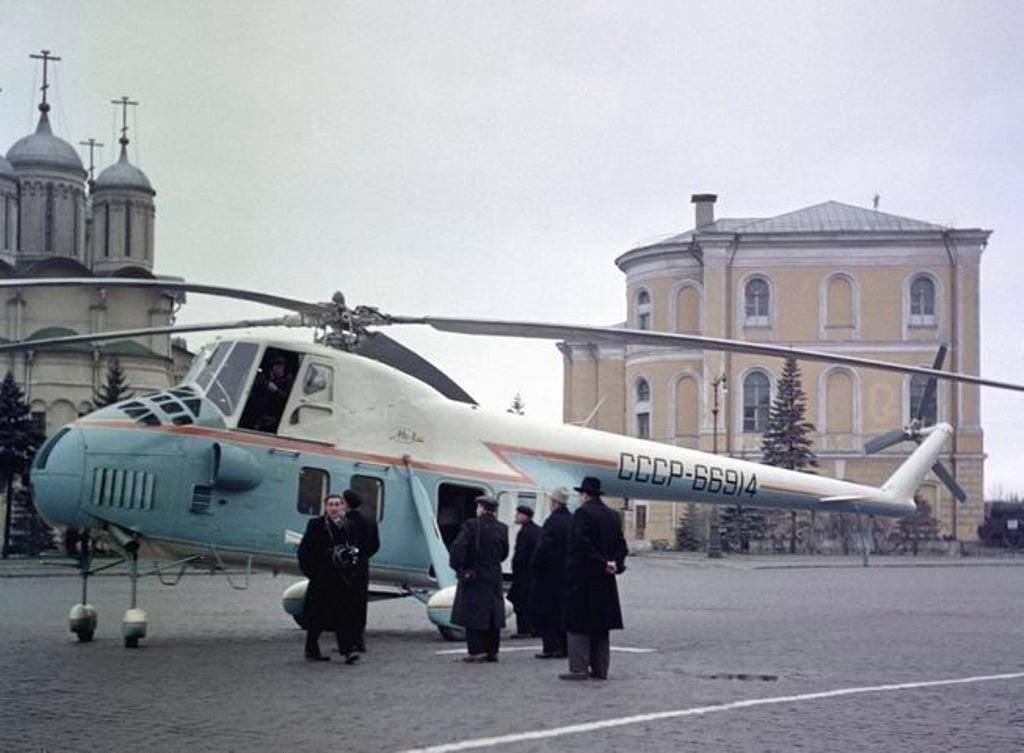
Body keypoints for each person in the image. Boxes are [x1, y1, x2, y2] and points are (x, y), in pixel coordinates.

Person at [560, 477, 628, 681]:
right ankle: (601, 669)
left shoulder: (583, 513)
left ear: (585, 495)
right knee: (601, 625)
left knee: (578, 625)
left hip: (583, 579)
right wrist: (615, 564)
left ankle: (578, 668)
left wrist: (601, 563)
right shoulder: (613, 516)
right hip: (606, 581)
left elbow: (581, 545)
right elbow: (621, 546)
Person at [297, 493, 361, 664]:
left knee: (344, 615)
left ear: (343, 507)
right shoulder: (316, 524)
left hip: (341, 578)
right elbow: (304, 551)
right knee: (316, 615)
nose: (334, 508)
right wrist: (311, 572)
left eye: (337, 504)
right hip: (321, 577)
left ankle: (347, 651)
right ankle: (311, 649)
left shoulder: (350, 526)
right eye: (330, 504)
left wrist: (351, 567)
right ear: (326, 507)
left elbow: (355, 548)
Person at [449, 495, 509, 663]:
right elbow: (504, 553)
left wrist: (460, 568)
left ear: (481, 508)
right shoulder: (502, 528)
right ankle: (492, 650)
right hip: (494, 575)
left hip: (475, 574)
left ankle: (477, 651)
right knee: (492, 613)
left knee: (473, 613)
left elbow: (458, 548)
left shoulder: (471, 525)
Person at [530, 487, 572, 659]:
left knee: (548, 612)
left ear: (554, 502)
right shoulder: (573, 520)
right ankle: (565, 647)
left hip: (550, 575)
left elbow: (543, 549)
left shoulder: (552, 521)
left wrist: (535, 567)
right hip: (568, 574)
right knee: (564, 612)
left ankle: (550, 647)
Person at [342, 488, 380, 652]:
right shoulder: (370, 520)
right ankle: (360, 640)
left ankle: (347, 641)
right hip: (363, 565)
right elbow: (376, 544)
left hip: (346, 566)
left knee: (345, 603)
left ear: (346, 504)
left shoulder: (344, 522)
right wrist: (364, 556)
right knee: (360, 603)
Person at [508, 504, 541, 638]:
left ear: (524, 516)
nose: (516, 517)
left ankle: (524, 629)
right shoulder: (538, 530)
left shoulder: (524, 532)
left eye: (518, 514)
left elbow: (521, 555)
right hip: (534, 573)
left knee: (520, 602)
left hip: (523, 574)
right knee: (531, 601)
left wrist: (515, 568)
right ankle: (535, 628)